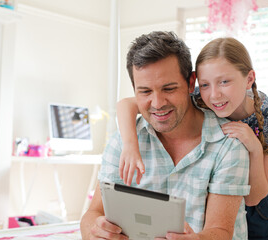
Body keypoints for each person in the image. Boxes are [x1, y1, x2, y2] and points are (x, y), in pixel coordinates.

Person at [117, 37, 268, 240]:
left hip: (259, 191)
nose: (214, 95)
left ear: (249, 79)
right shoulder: (198, 96)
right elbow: (126, 104)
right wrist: (130, 145)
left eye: (224, 82)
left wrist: (254, 148)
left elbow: (254, 198)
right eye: (205, 84)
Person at [80, 31, 251, 240]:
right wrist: (95, 231)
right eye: (144, 92)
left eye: (169, 88)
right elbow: (92, 214)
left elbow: (221, 232)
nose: (158, 103)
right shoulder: (122, 143)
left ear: (191, 83)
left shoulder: (228, 145)